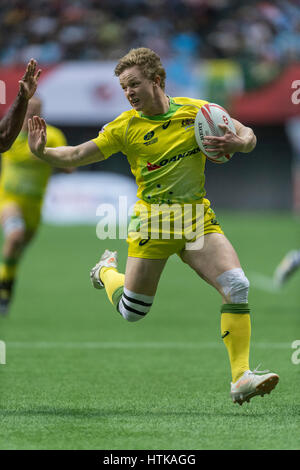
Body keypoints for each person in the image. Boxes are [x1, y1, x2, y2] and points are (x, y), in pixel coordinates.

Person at [28, 47, 279, 405]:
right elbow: (76, 154)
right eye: (123, 88)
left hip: (195, 220)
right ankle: (106, 272)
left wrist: (240, 143)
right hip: (153, 224)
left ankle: (240, 378)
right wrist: (43, 153)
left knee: (237, 285)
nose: (128, 93)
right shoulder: (124, 127)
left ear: (157, 81)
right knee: (133, 311)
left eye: (134, 84)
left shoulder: (198, 112)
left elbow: (248, 134)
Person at [0, 96, 68, 314]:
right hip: (8, 199)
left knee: (16, 251)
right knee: (14, 236)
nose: (30, 113)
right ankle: (3, 290)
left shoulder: (53, 136)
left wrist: (47, 155)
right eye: (27, 108)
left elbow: (70, 167)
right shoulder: (8, 133)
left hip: (34, 206)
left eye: (36, 110)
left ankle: (6, 288)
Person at [0, 59, 41, 153]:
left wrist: (22, 98)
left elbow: (3, 140)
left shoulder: (50, 134)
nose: (31, 112)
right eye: (30, 109)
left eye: (34, 109)